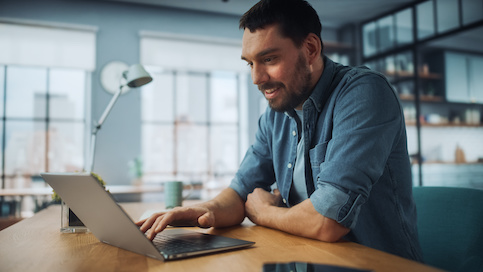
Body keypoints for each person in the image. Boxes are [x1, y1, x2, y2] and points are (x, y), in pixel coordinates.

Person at [137, 0, 423, 262]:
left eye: (269, 59)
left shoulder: (364, 93)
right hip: (308, 260)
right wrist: (203, 210)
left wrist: (263, 213)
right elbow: (241, 193)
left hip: (376, 265)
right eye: (250, 63)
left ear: (310, 49)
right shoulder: (276, 114)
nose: (256, 78)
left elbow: (327, 221)